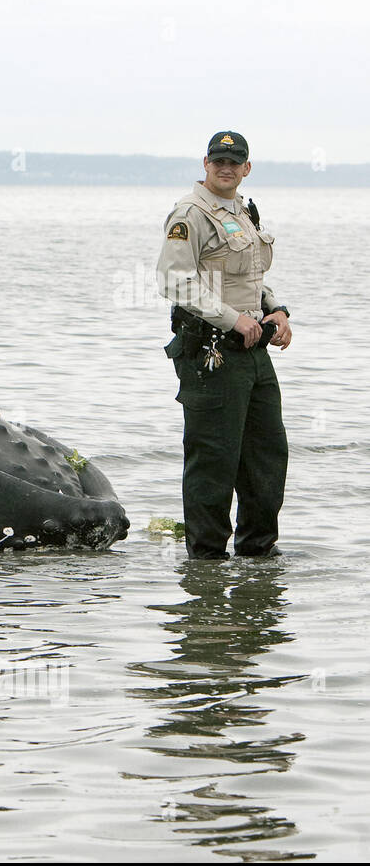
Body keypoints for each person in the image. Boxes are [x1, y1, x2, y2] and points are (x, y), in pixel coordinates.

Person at [156, 131, 292, 559]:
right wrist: (233, 319)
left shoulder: (243, 211)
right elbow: (174, 281)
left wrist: (277, 309)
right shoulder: (189, 214)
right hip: (211, 353)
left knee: (267, 458)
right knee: (213, 463)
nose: (227, 168)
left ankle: (258, 558)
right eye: (219, 161)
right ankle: (207, 564)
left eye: (235, 162)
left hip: (255, 355)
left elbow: (248, 278)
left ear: (247, 168)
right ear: (206, 164)